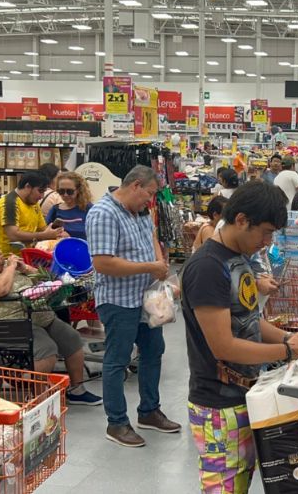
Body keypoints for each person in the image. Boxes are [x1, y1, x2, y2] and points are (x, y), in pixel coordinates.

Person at [181, 180, 298, 493]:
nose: (267, 241)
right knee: (225, 486)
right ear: (242, 220)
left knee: (242, 479)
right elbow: (224, 345)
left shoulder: (237, 258)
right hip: (217, 404)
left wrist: (287, 339)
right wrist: (286, 352)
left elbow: (249, 321)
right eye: (266, 232)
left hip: (245, 393)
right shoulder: (207, 267)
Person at [87, 165, 181, 448]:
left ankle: (149, 411)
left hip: (148, 296)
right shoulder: (103, 213)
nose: (150, 201)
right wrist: (149, 266)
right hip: (119, 300)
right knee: (117, 360)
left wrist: (160, 268)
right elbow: (102, 263)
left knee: (154, 351)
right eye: (149, 194)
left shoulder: (139, 211)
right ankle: (116, 423)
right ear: (136, 185)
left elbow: (152, 235)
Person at [0, 238, 102, 405]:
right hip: (11, 323)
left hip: (40, 316)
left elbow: (46, 281)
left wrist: (27, 269)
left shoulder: (10, 270)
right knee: (47, 349)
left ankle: (77, 390)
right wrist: (11, 267)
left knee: (72, 338)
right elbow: (0, 289)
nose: (1, 254)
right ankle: (38, 398)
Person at [0, 171, 66, 256]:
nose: (42, 196)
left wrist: (57, 233)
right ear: (27, 186)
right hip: (7, 259)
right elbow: (13, 235)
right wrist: (44, 235)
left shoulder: (34, 204)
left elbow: (42, 228)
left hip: (28, 256)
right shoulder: (9, 203)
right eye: (40, 191)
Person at [46, 171, 93, 240]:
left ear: (78, 190)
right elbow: (46, 233)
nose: (65, 195)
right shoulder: (55, 210)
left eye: (69, 191)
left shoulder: (89, 209)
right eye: (61, 191)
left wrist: (70, 238)